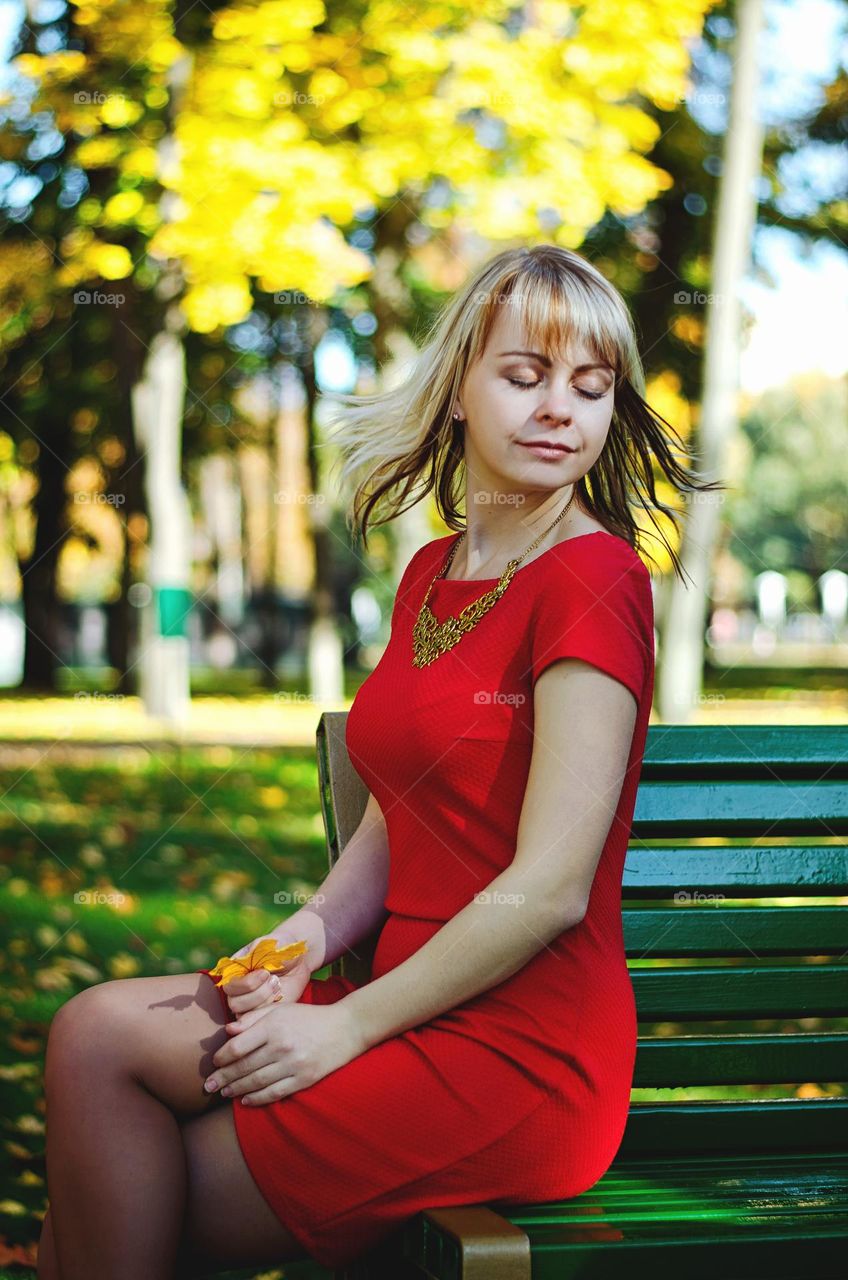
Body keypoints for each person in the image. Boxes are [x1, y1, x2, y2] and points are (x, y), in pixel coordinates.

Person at [39, 244, 722, 1278]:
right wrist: (306, 936)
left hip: (517, 1052)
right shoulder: (430, 573)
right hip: (401, 1000)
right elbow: (395, 815)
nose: (559, 410)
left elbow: (546, 890)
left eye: (589, 387)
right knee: (92, 1034)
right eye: (523, 374)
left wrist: (345, 1027)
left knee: (135, 1188)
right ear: (456, 387)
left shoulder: (593, 578)